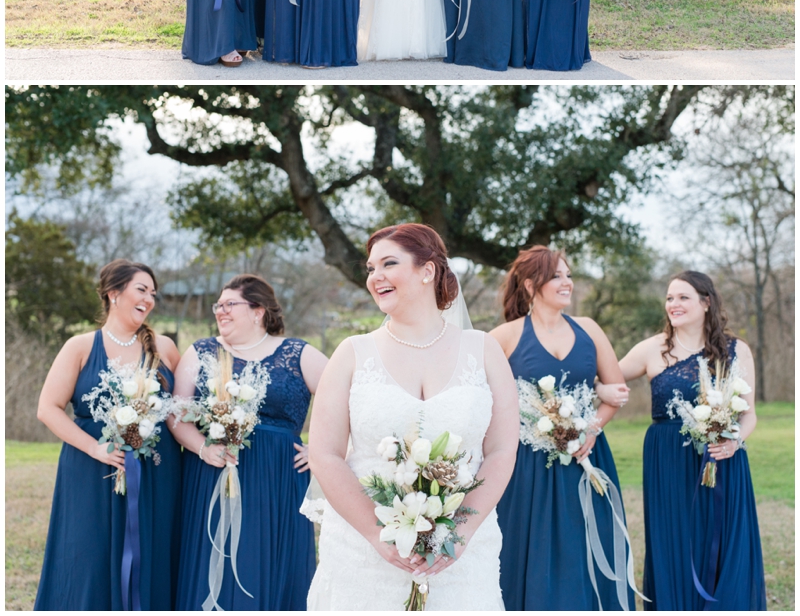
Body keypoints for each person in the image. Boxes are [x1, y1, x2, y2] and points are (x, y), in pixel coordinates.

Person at [307, 223, 519, 610]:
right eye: (370, 268)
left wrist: (461, 533)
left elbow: (503, 450)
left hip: (461, 553)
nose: (376, 277)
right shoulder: (352, 353)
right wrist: (378, 536)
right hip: (364, 552)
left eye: (389, 263)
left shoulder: (484, 350)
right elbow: (324, 453)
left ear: (428, 270)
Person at [596, 270, 766, 610]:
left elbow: (749, 414)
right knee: (675, 540)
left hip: (723, 458)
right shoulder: (652, 349)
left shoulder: (736, 350)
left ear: (706, 302)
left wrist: (734, 442)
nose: (674, 304)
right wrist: (602, 389)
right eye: (670, 297)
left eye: (683, 297)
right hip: (668, 462)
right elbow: (604, 375)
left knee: (723, 540)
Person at [490, 246, 635, 610]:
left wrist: (590, 430)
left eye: (569, 275)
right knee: (529, 551)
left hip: (587, 458)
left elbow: (615, 394)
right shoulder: (503, 337)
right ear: (530, 284)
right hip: (528, 469)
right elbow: (482, 400)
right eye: (557, 276)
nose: (567, 282)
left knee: (584, 547)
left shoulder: (589, 329)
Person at [172, 274, 328, 611]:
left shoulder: (298, 353)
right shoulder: (201, 352)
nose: (220, 311)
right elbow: (176, 414)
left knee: (268, 560)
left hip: (279, 480)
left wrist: (321, 450)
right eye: (218, 305)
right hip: (212, 471)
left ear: (258, 310)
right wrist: (202, 446)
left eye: (230, 304)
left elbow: (347, 401)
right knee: (215, 558)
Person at [35, 260, 182, 610]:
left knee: (152, 555)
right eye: (141, 290)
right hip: (91, 471)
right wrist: (95, 448)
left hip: (157, 474)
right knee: (88, 556)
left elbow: (186, 408)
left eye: (153, 293)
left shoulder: (165, 348)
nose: (149, 298)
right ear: (113, 293)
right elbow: (48, 408)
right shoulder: (81, 346)